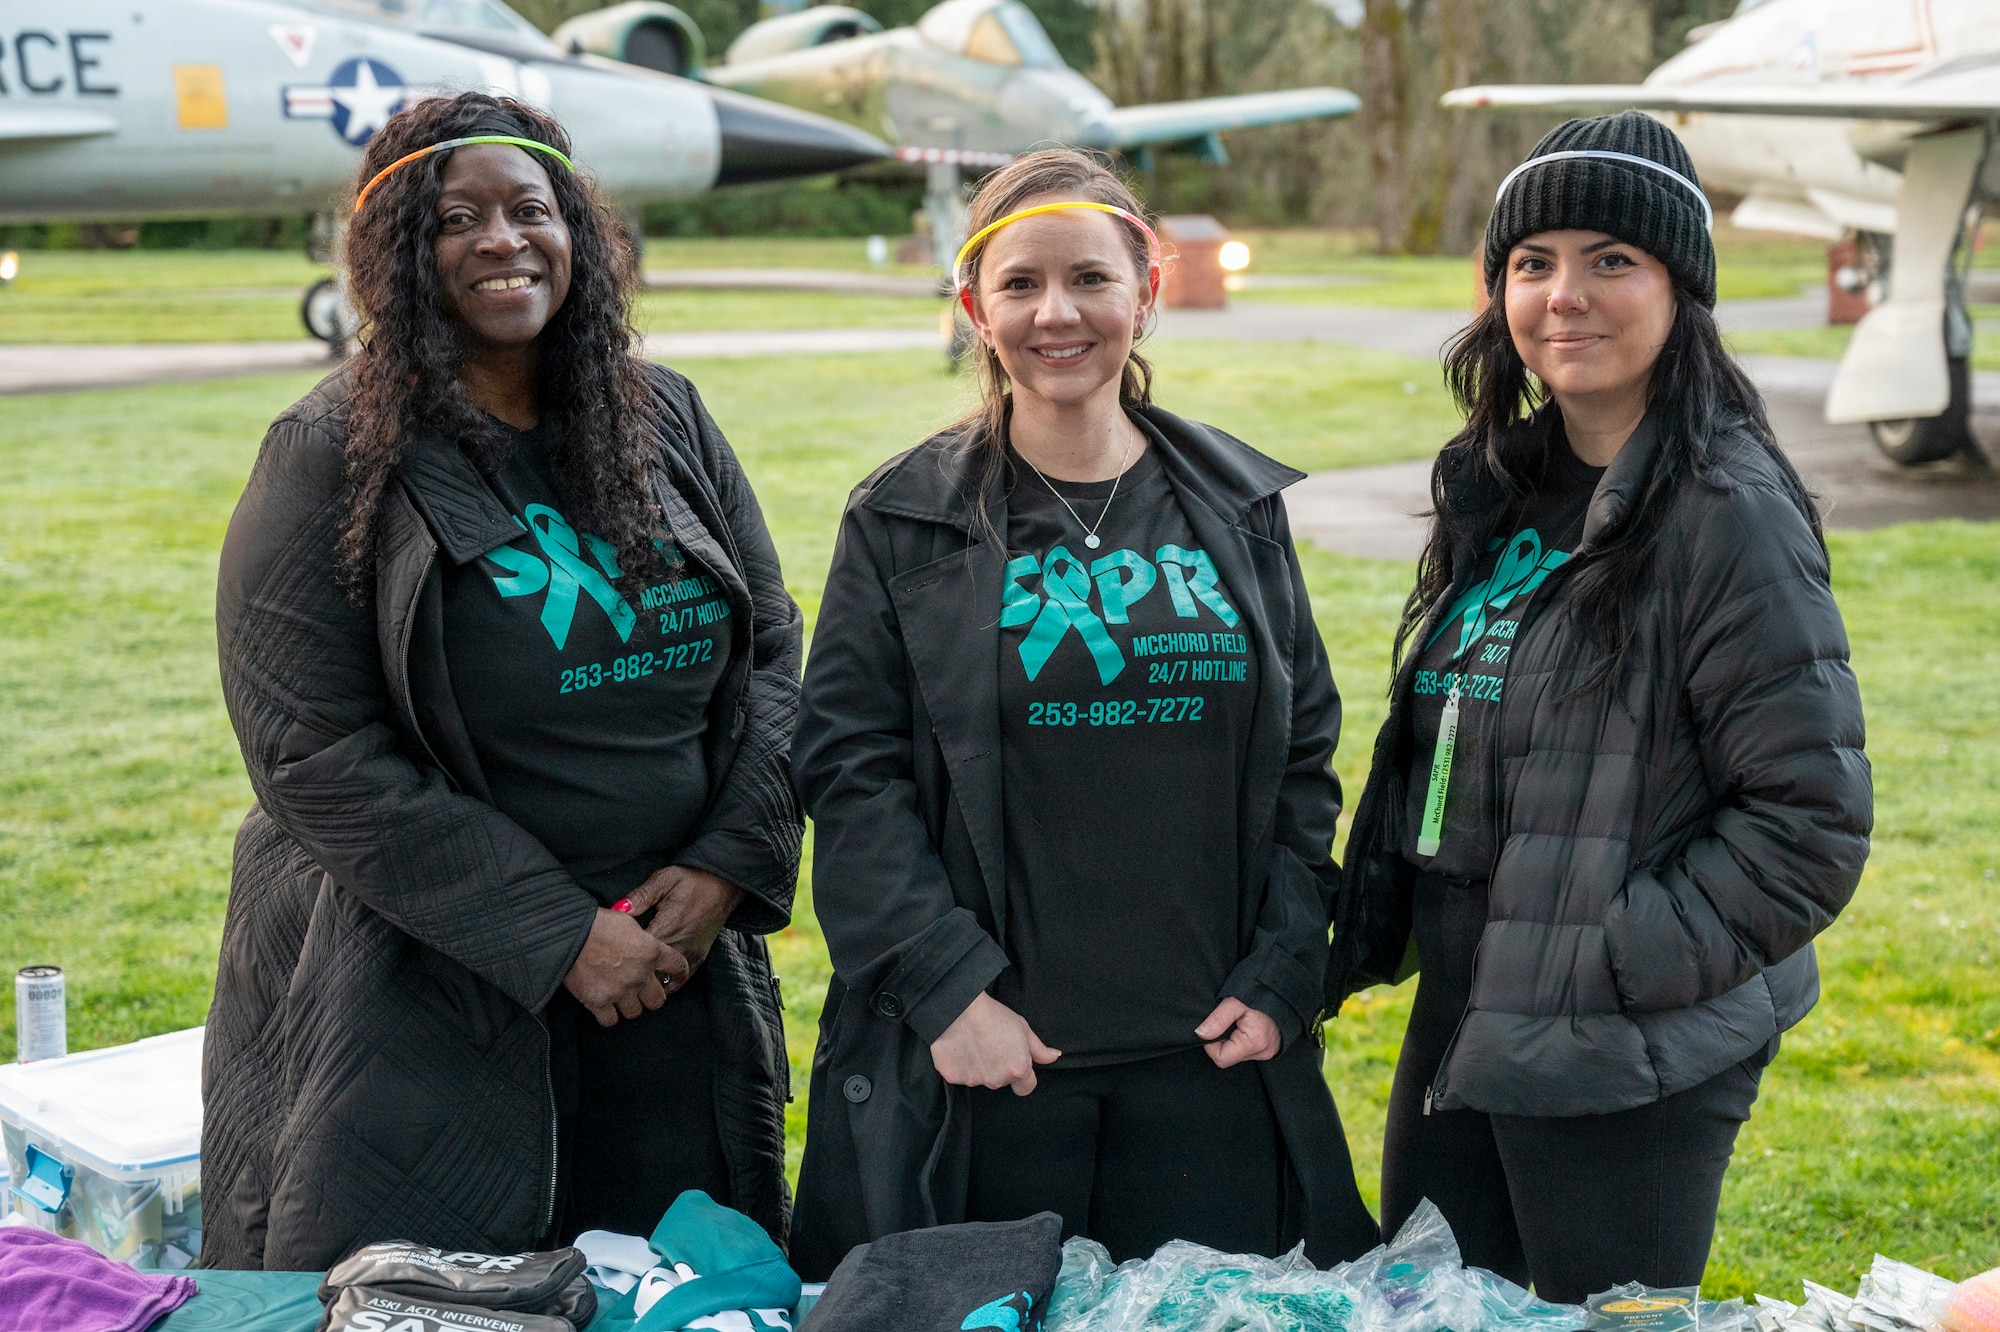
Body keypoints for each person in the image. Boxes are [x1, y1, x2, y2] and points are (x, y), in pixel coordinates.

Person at [202, 93, 803, 1269]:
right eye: (455, 217)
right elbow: (308, 753)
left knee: (681, 1280)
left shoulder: (662, 414)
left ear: (579, 232)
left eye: (532, 209)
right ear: (395, 255)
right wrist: (555, 932)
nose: (502, 239)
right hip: (427, 1000)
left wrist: (729, 858)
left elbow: (775, 652)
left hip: (672, 968)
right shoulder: (327, 453)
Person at [788, 149, 1380, 1280]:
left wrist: (1282, 972)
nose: (1056, 313)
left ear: (1144, 292)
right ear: (973, 310)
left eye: (1089, 280)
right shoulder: (903, 519)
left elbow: (1302, 760)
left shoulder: (1238, 508)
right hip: (997, 1068)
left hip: (1208, 1064)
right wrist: (944, 989)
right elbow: (847, 772)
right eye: (1018, 286)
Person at [1332, 112, 1872, 1301]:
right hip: (1469, 1008)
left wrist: (1609, 957)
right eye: (1533, 263)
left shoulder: (1724, 511)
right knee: (1434, 1311)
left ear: (1680, 286)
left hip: (1618, 1043)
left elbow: (1807, 823)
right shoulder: (1503, 484)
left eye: (1609, 260)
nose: (1563, 296)